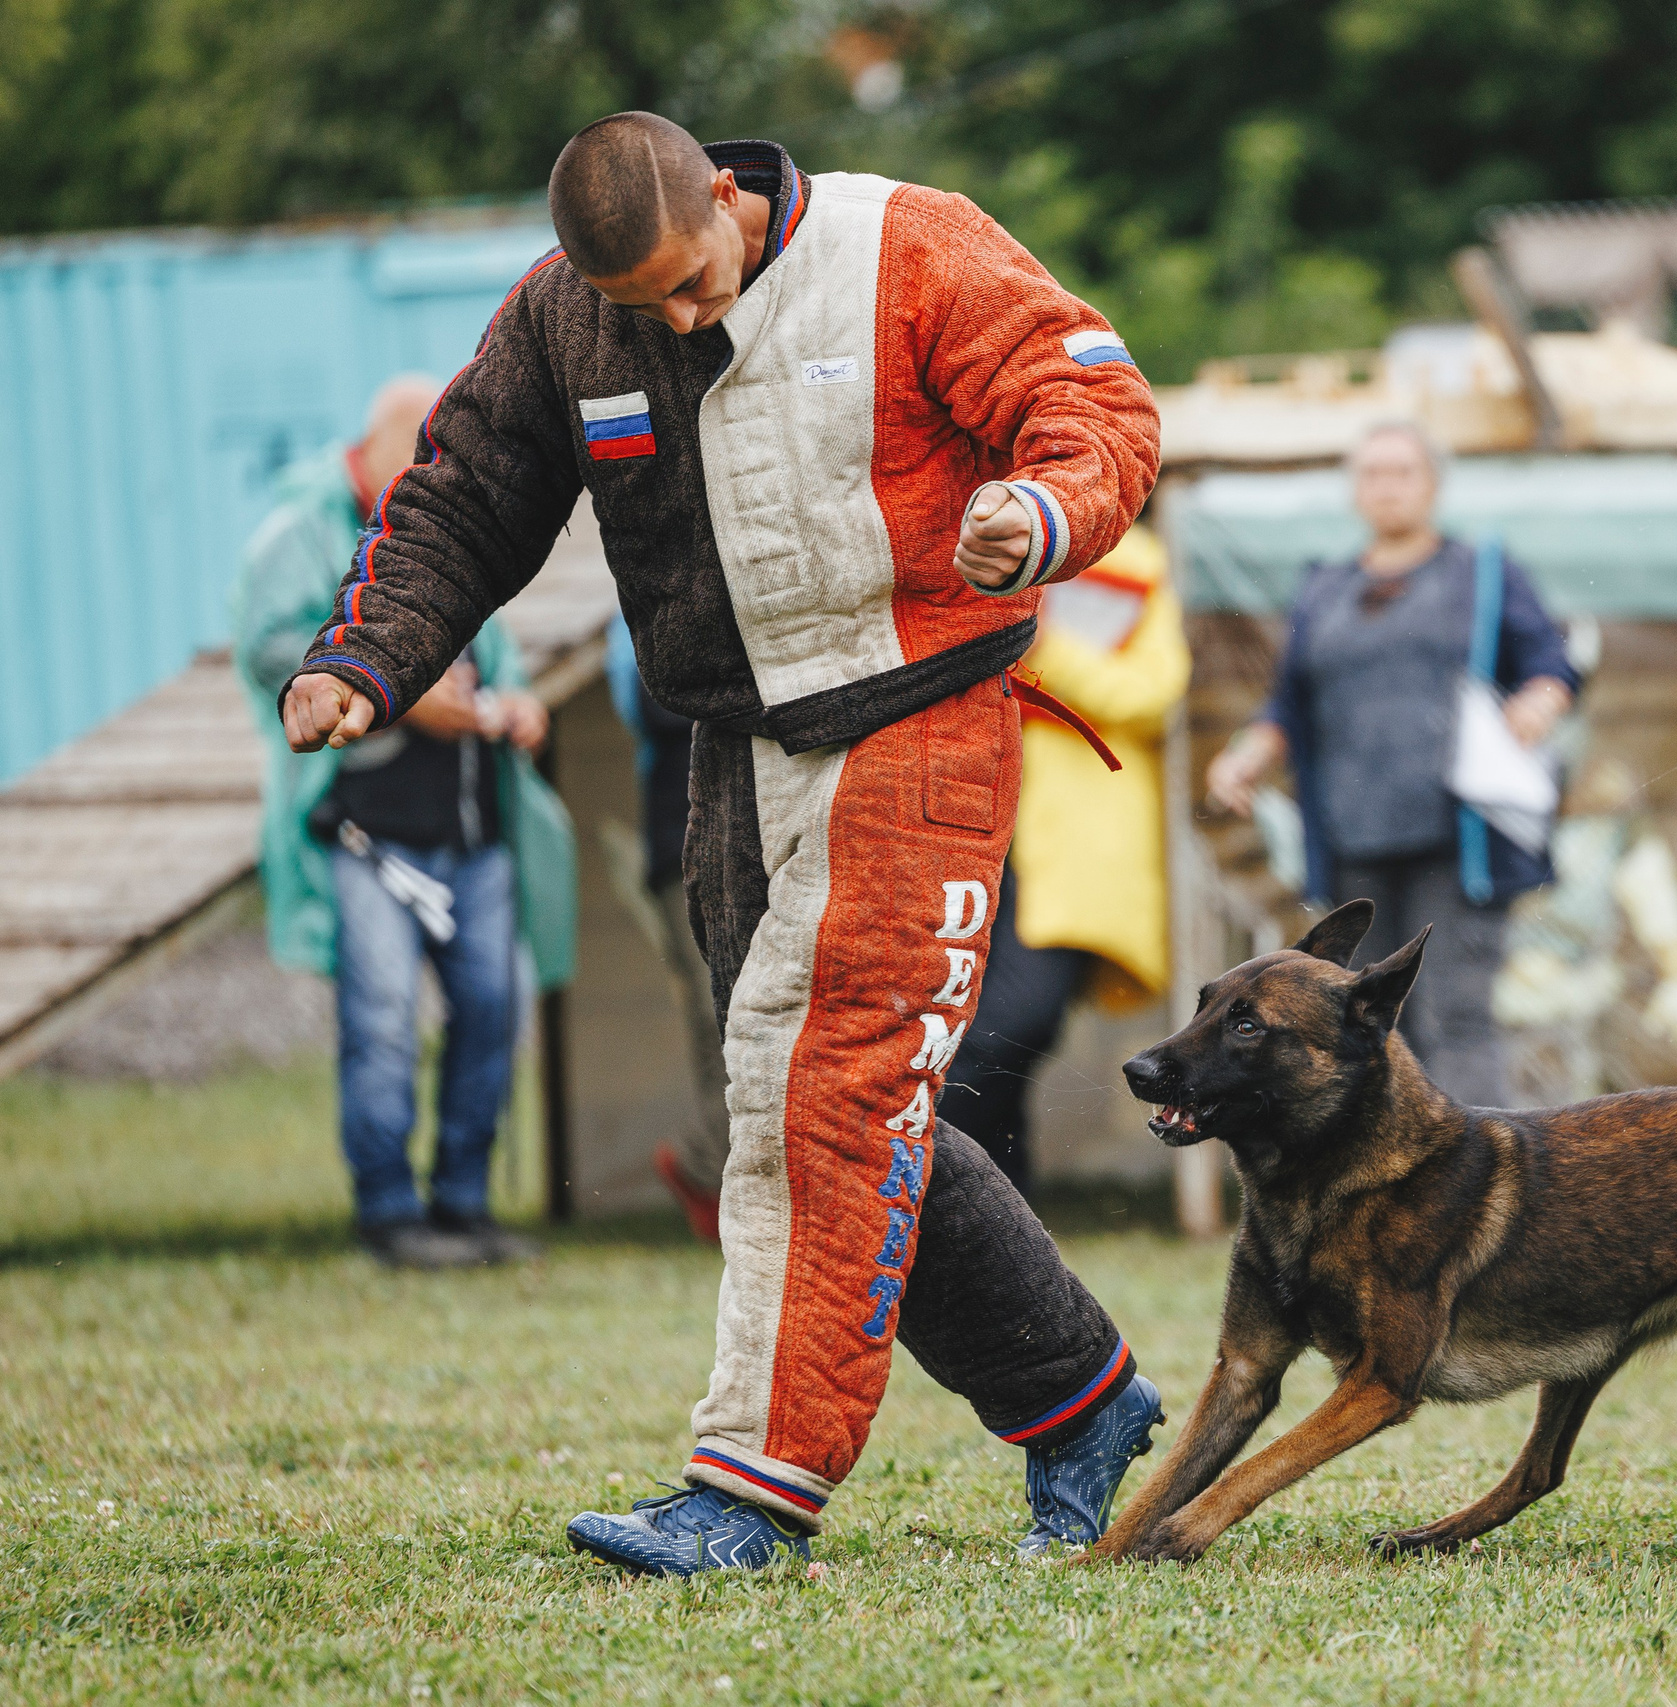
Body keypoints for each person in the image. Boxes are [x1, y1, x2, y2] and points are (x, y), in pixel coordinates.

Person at [274, 114, 1164, 1574]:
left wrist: (1042, 505)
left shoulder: (909, 243)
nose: (683, 321)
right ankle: (1080, 1399)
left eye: (695, 282)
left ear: (730, 196)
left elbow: (1096, 404)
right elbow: (464, 493)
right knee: (812, 1099)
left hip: (919, 715)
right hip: (733, 749)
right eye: (645, 307)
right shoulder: (566, 317)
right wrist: (366, 657)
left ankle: (753, 1492)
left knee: (828, 1088)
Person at [232, 376, 576, 1270]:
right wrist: (391, 687)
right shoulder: (303, 528)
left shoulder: (444, 518)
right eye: (423, 450)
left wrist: (518, 704)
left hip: (473, 827)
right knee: (382, 1019)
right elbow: (266, 649)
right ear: (381, 442)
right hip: (367, 831)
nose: (436, 468)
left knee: (495, 1008)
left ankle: (463, 1204)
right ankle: (388, 1213)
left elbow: (495, 655)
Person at [1205, 422, 1579, 1108]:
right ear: (1355, 489)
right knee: (1370, 1022)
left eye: (1403, 471)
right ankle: (1391, 1164)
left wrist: (1540, 698)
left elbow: (1550, 661)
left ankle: (1481, 1159)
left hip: (1455, 839)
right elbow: (1289, 701)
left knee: (1455, 1013)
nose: (1387, 486)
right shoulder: (1324, 587)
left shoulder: (1481, 573)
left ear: (1432, 484)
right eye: (1372, 473)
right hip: (1353, 842)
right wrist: (1248, 755)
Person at [941, 523, 1191, 1189]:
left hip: (1066, 842)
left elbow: (1151, 693)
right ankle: (994, 1212)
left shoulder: (1132, 562)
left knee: (1011, 1026)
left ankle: (929, 1190)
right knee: (970, 1029)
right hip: (961, 816)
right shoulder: (964, 538)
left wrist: (1040, 646)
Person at [601, 613, 730, 1243]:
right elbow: (653, 703)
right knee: (718, 1017)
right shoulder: (631, 616)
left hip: (758, 840)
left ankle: (713, 1169)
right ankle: (708, 1167)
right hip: (680, 847)